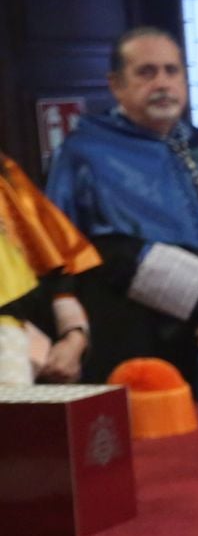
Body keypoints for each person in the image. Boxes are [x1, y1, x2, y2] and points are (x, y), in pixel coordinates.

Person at [45, 27, 198, 380]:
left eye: (172, 71)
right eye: (146, 72)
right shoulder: (86, 154)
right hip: (138, 343)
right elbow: (108, 252)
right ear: (116, 84)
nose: (162, 83)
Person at [0, 151, 101, 384]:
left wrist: (74, 339)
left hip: (28, 353)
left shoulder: (7, 175)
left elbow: (59, 274)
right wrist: (38, 351)